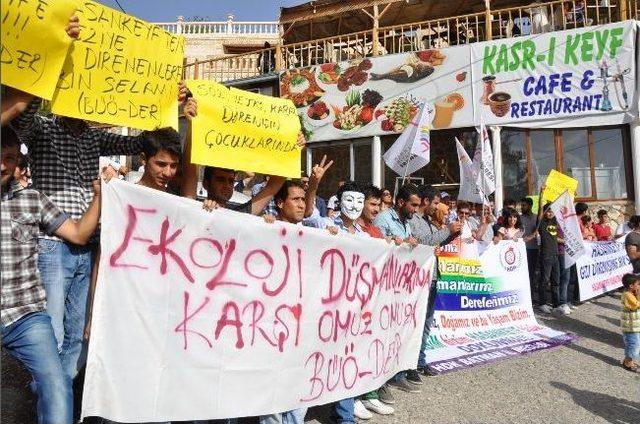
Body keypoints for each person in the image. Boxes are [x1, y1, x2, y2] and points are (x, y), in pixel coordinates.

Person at [10, 85, 182, 382]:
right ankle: (49, 400)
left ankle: (59, 398)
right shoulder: (42, 128)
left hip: (87, 245)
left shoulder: (94, 136)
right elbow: (22, 119)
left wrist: (170, 105)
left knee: (80, 335)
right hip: (53, 243)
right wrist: (45, 73)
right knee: (52, 334)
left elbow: (141, 144)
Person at [1, 126, 102, 424]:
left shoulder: (32, 200)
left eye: (8, 157)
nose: (3, 164)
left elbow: (80, 234)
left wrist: (98, 196)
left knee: (57, 385)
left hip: (26, 316)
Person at [374, 185, 422, 392]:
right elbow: (376, 248)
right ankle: (379, 380)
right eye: (413, 205)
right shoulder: (383, 220)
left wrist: (411, 244)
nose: (416, 210)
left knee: (399, 330)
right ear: (401, 202)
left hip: (401, 286)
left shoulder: (406, 223)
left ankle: (397, 373)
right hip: (384, 286)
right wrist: (392, 242)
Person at [536, 203, 568, 314]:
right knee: (544, 280)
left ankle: (556, 304)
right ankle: (542, 303)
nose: (550, 213)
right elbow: (540, 214)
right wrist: (542, 196)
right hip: (545, 255)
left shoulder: (555, 221)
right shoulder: (541, 222)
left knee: (556, 280)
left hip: (556, 255)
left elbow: (563, 212)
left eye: (552, 211)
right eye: (548, 211)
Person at [620, 274, 640, 372]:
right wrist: (638, 295)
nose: (639, 286)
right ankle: (628, 362)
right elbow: (637, 305)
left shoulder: (630, 293)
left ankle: (628, 360)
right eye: (637, 284)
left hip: (634, 325)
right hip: (630, 326)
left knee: (633, 344)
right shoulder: (627, 295)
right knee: (633, 344)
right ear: (631, 286)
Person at [519, 197, 539, 292]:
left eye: (524, 205)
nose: (522, 207)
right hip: (523, 249)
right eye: (521, 205)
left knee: (533, 272)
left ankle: (531, 292)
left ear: (530, 206)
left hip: (534, 249)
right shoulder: (519, 218)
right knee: (524, 272)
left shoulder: (536, 218)